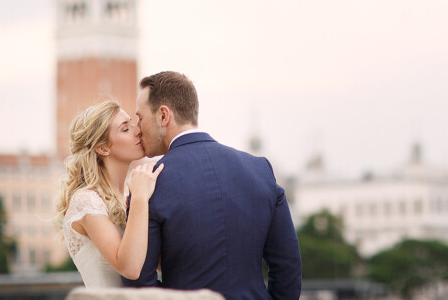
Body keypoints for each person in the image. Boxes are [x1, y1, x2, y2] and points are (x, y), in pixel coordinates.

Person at [123, 71, 302, 299]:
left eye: (140, 118)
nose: (138, 128)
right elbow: (288, 267)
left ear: (163, 115)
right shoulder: (260, 170)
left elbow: (139, 283)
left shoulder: (148, 183)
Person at [55, 100, 164, 287]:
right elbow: (130, 268)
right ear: (103, 148)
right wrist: (139, 198)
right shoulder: (86, 201)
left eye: (132, 122)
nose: (137, 130)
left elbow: (158, 263)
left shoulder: (128, 197)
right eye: (125, 129)